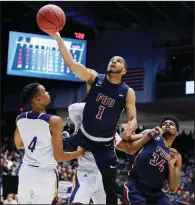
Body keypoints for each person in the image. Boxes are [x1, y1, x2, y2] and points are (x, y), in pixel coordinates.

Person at [53, 32, 137, 204]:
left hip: (105, 144)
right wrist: (57, 37)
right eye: (112, 59)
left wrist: (131, 126)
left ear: (124, 71)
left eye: (118, 60)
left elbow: (133, 116)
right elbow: (71, 63)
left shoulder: (127, 91)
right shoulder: (94, 78)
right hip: (83, 136)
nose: (113, 61)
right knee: (49, 146)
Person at [66, 101, 161, 204]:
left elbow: (129, 148)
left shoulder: (110, 130)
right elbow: (72, 108)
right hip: (86, 174)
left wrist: (148, 135)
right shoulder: (81, 121)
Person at [14, 83, 85, 204]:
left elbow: (19, 144)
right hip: (45, 174)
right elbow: (59, 156)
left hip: (26, 171)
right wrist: (78, 153)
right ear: (38, 99)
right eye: (45, 91)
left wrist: (40, 146)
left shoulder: (20, 118)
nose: (48, 93)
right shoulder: (54, 121)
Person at [123, 116, 182, 205]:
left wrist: (171, 165)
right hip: (136, 187)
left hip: (156, 193)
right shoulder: (151, 135)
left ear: (177, 133)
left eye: (171, 124)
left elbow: (173, 188)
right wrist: (128, 130)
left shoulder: (176, 156)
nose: (167, 124)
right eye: (164, 123)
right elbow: (126, 139)